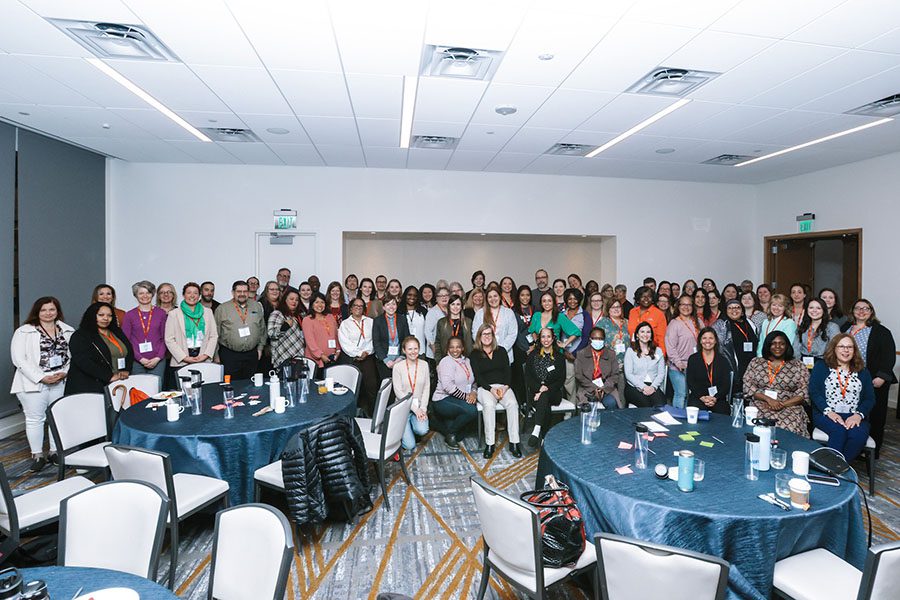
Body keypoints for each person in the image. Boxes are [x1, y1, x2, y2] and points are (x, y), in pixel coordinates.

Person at [11, 297, 73, 471]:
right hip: (33, 382)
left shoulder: (67, 330)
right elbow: (19, 359)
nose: (48, 313)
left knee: (56, 417)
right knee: (35, 419)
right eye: (44, 310)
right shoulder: (24, 331)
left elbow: (73, 355)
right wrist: (41, 377)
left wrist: (65, 372)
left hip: (60, 379)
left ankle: (54, 452)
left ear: (57, 311)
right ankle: (37, 455)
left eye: (52, 309)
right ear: (37, 312)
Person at [809, 335, 876, 462]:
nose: (846, 350)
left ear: (854, 350)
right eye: (842, 346)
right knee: (838, 431)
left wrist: (858, 415)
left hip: (854, 415)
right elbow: (814, 392)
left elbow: (870, 398)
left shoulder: (863, 371)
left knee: (858, 435)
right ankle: (835, 469)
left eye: (849, 347)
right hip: (826, 414)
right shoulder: (821, 366)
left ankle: (837, 467)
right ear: (834, 348)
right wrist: (829, 412)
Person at [843, 298, 896, 455]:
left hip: (873, 379)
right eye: (858, 308)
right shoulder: (846, 327)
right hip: (848, 378)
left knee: (875, 414)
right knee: (854, 413)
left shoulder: (881, 331)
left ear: (871, 312)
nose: (861, 311)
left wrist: (882, 376)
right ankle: (854, 446)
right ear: (853, 311)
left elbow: (889, 356)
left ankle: (872, 450)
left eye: (866, 308)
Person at [743, 331, 810, 437]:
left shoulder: (798, 365)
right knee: (760, 427)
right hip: (761, 404)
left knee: (788, 428)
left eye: (781, 343)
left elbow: (803, 392)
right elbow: (748, 386)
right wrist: (769, 400)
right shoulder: (756, 362)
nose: (777, 346)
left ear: (787, 346)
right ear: (768, 345)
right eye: (773, 343)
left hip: (789, 407)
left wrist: (781, 404)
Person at [470, 324, 521, 459]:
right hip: (485, 388)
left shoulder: (502, 351)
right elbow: (478, 376)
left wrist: (505, 386)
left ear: (493, 336)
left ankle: (514, 442)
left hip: (503, 386)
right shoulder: (474, 354)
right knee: (489, 405)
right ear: (479, 337)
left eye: (489, 334)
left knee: (512, 404)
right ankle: (490, 444)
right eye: (484, 334)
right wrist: (491, 389)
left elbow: (508, 371)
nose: (487, 337)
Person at [66, 302, 134, 395]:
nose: (106, 318)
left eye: (109, 315)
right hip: (89, 386)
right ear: (92, 315)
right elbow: (83, 361)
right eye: (101, 315)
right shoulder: (80, 335)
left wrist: (127, 370)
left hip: (118, 383)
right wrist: (108, 376)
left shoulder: (117, 331)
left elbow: (129, 352)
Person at [523, 327, 566, 449]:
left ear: (553, 339)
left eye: (548, 336)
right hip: (536, 392)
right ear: (539, 339)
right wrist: (540, 389)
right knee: (544, 402)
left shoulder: (559, 357)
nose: (545, 339)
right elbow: (528, 378)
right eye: (543, 336)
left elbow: (560, 380)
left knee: (544, 396)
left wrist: (545, 389)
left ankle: (536, 430)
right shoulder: (533, 356)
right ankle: (544, 438)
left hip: (554, 392)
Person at [433, 337, 478, 449]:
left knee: (462, 435)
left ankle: (437, 423)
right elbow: (448, 387)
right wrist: (466, 397)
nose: (455, 350)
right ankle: (450, 434)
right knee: (472, 411)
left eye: (458, 346)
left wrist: (473, 392)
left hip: (459, 400)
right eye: (452, 347)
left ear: (462, 348)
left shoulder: (467, 361)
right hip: (443, 399)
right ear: (448, 348)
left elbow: (473, 381)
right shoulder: (446, 361)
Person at [215, 280, 265, 379]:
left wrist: (260, 348)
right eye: (239, 291)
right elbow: (215, 333)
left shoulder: (256, 306)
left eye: (245, 291)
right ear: (233, 293)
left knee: (251, 386)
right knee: (232, 385)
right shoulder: (222, 308)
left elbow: (262, 328)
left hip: (251, 355)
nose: (242, 294)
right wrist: (216, 355)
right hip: (230, 355)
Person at [338, 298, 378, 415]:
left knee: (371, 388)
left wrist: (366, 352)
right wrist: (358, 353)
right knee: (354, 388)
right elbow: (345, 343)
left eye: (361, 306)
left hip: (368, 358)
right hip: (353, 359)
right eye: (355, 305)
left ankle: (373, 415)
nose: (358, 308)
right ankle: (354, 416)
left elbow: (374, 339)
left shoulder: (371, 322)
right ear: (350, 308)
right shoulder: (345, 324)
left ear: (364, 309)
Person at [164, 282, 218, 369]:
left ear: (199, 295)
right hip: (182, 360)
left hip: (203, 357)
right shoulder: (174, 314)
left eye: (195, 293)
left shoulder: (208, 312)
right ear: (183, 295)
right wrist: (184, 358)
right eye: (189, 293)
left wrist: (205, 355)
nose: (192, 296)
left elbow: (213, 336)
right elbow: (169, 339)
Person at [120, 280, 167, 378]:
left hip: (158, 361)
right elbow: (125, 341)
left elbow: (165, 338)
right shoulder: (129, 315)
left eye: (148, 292)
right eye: (141, 293)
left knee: (156, 391)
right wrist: (140, 358)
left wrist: (158, 357)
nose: (145, 296)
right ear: (136, 295)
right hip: (136, 361)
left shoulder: (161, 313)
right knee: (139, 390)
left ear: (152, 294)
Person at [392, 336, 431, 450]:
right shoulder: (398, 367)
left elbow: (426, 388)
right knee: (409, 446)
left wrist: (423, 409)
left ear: (419, 349)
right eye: (410, 349)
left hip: (419, 407)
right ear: (404, 350)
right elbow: (398, 392)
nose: (413, 352)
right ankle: (402, 428)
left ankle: (410, 427)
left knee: (422, 429)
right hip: (402, 408)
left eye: (415, 348)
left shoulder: (424, 365)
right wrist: (415, 409)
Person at [665, 294, 703, 409]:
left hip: (695, 366)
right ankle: (678, 420)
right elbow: (670, 347)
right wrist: (678, 363)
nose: (686, 307)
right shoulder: (674, 324)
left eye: (689, 304)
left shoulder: (698, 322)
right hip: (678, 366)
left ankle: (687, 421)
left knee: (691, 396)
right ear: (678, 306)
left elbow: (705, 341)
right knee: (681, 394)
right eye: (683, 304)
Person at [686, 328, 732, 414]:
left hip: (718, 398)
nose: (707, 341)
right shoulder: (693, 359)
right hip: (698, 397)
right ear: (700, 341)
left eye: (711, 338)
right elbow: (691, 382)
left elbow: (726, 384)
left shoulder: (723, 360)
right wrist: (702, 397)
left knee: (723, 414)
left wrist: (715, 398)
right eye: (704, 338)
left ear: (715, 341)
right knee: (695, 414)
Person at [574, 327, 621, 409]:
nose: (598, 341)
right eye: (595, 338)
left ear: (604, 340)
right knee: (587, 407)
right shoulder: (581, 354)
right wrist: (594, 388)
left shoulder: (611, 354)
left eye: (600, 339)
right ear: (590, 339)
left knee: (611, 403)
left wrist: (603, 388)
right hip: (587, 388)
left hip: (607, 389)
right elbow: (579, 375)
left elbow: (615, 375)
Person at [623, 322, 666, 407]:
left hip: (653, 385)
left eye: (648, 332)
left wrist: (653, 387)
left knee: (661, 405)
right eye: (642, 332)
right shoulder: (630, 351)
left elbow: (661, 373)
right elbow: (629, 374)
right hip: (634, 386)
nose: (645, 334)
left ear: (651, 335)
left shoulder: (658, 351)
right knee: (646, 405)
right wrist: (643, 387)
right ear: (637, 335)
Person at [722, 299, 758, 395]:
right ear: (726, 310)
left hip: (751, 365)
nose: (734, 310)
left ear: (742, 311)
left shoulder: (750, 323)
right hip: (734, 367)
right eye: (730, 308)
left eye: (737, 307)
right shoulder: (723, 325)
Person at [472, 288, 518, 365]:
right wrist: (487, 349)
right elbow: (476, 333)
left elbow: (512, 334)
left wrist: (500, 350)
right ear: (486, 299)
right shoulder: (480, 313)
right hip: (485, 354)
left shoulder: (509, 313)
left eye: (495, 296)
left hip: (504, 354)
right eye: (490, 297)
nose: (493, 299)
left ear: (500, 297)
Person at [527, 292, 581, 356]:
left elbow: (576, 332)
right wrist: (537, 343)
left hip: (555, 352)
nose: (547, 303)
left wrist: (564, 344)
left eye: (549, 301)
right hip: (539, 352)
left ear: (553, 302)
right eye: (544, 301)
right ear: (541, 303)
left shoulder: (559, 316)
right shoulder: (536, 315)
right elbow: (532, 330)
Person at [560, 288, 591, 400]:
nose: (572, 301)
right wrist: (564, 352)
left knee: (581, 383)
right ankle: (571, 410)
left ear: (579, 300)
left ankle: (580, 410)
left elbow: (586, 336)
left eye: (575, 299)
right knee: (568, 383)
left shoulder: (585, 315)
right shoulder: (561, 315)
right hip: (565, 354)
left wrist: (575, 353)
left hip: (580, 354)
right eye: (569, 299)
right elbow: (558, 334)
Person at [794, 298, 840, 369]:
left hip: (824, 364)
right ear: (807, 310)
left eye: (818, 308)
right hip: (803, 364)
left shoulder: (832, 327)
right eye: (811, 308)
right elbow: (796, 349)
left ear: (824, 311)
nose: (814, 310)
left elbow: (835, 349)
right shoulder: (802, 327)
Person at [267, 288, 306, 369]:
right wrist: (285, 326)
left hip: (299, 357)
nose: (294, 301)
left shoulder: (299, 316)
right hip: (283, 358)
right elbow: (271, 334)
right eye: (291, 299)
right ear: (285, 300)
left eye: (297, 300)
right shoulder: (277, 314)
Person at [302, 293, 341, 372]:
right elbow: (310, 342)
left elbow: (336, 335)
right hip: (317, 361)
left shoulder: (330, 317)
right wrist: (321, 355)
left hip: (333, 358)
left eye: (322, 302)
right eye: (316, 302)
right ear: (312, 304)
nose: (320, 305)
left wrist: (338, 350)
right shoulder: (307, 320)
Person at [373, 296, 410, 380]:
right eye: (388, 304)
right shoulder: (377, 321)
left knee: (399, 385)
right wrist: (386, 360)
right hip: (384, 360)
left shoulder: (402, 319)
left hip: (399, 358)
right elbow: (376, 342)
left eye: (393, 304)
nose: (391, 307)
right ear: (383, 307)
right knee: (386, 386)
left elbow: (406, 339)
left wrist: (401, 357)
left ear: (397, 306)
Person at [627, 286, 667, 354]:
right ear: (638, 299)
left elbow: (662, 339)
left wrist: (662, 356)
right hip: (634, 351)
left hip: (652, 352)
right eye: (643, 296)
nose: (646, 299)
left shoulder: (658, 314)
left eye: (649, 296)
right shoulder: (632, 312)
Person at [435, 294, 472, 364]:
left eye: (458, 304)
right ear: (449, 306)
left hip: (464, 360)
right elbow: (437, 344)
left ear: (461, 307)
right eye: (453, 304)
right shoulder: (442, 322)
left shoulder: (468, 322)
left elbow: (472, 343)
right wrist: (438, 362)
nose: (455, 307)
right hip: (446, 359)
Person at [598, 298, 629, 369]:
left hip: (626, 361)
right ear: (608, 310)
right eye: (613, 307)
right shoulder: (602, 323)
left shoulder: (627, 322)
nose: (616, 309)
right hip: (609, 362)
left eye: (618, 307)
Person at [424, 286, 450, 360]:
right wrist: (434, 349)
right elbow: (428, 332)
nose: (444, 297)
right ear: (436, 298)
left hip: (450, 350)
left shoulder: (452, 310)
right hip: (436, 352)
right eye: (441, 296)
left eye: (446, 295)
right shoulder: (432, 312)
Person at [400, 286, 427, 354]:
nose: (412, 297)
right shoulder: (399, 312)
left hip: (421, 351)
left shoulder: (423, 311)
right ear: (405, 295)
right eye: (409, 295)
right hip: (403, 352)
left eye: (415, 295)